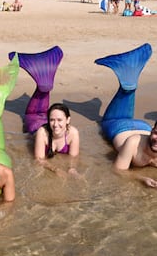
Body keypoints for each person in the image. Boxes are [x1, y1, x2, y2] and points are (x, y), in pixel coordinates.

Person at [95, 43, 157, 187]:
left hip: (141, 125)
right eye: (156, 133)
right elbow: (117, 170)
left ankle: (130, 78)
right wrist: (142, 179)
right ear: (152, 131)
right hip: (118, 128)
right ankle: (128, 78)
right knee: (107, 120)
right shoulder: (133, 143)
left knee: (128, 88)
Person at [34, 103, 80, 176]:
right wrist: (55, 169)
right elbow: (39, 159)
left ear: (68, 120)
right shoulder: (42, 133)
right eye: (52, 120)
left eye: (59, 120)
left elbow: (73, 158)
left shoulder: (73, 133)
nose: (55, 124)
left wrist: (72, 169)